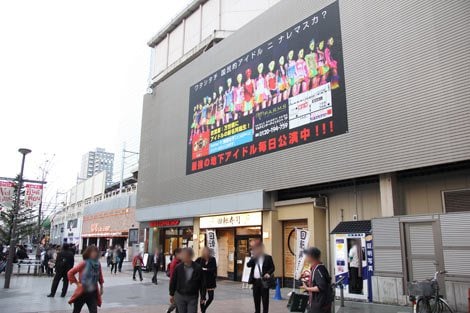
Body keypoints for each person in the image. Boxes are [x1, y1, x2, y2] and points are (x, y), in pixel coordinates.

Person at [67, 245, 104, 313]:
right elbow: (70, 272)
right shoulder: (84, 263)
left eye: (95, 252)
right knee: (76, 311)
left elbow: (100, 276)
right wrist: (77, 283)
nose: (94, 254)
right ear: (88, 253)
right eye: (92, 252)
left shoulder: (98, 264)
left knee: (93, 311)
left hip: (92, 292)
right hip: (82, 292)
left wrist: (101, 287)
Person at [169, 248, 205, 313]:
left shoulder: (197, 268)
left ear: (191, 256)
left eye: (185, 255)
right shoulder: (178, 267)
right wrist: (171, 294)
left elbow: (202, 283)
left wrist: (203, 296)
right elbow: (173, 281)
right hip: (180, 295)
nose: (183, 256)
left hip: (193, 296)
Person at [302, 247, 333, 313]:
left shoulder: (319, 269)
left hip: (320, 306)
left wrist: (307, 288)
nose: (306, 258)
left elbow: (321, 287)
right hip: (315, 304)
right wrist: (309, 277)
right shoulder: (315, 267)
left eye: (307, 256)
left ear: (311, 257)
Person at [247, 242, 275, 313]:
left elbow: (272, 267)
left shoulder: (268, 257)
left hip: (264, 281)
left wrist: (268, 273)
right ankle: (257, 311)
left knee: (265, 299)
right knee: (256, 298)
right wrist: (253, 257)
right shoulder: (254, 258)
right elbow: (248, 265)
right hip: (255, 281)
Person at [195, 247, 217, 313]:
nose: (206, 252)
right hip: (202, 282)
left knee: (211, 297)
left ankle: (204, 308)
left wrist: (206, 269)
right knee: (202, 298)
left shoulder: (213, 259)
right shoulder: (200, 259)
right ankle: (203, 311)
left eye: (207, 251)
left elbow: (214, 269)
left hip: (210, 281)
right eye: (205, 251)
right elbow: (194, 266)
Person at [167, 248, 182, 313]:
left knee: (178, 304)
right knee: (178, 303)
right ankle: (169, 310)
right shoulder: (175, 263)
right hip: (177, 287)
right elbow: (172, 278)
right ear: (177, 254)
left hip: (180, 287)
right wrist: (171, 292)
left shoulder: (179, 262)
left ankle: (169, 310)